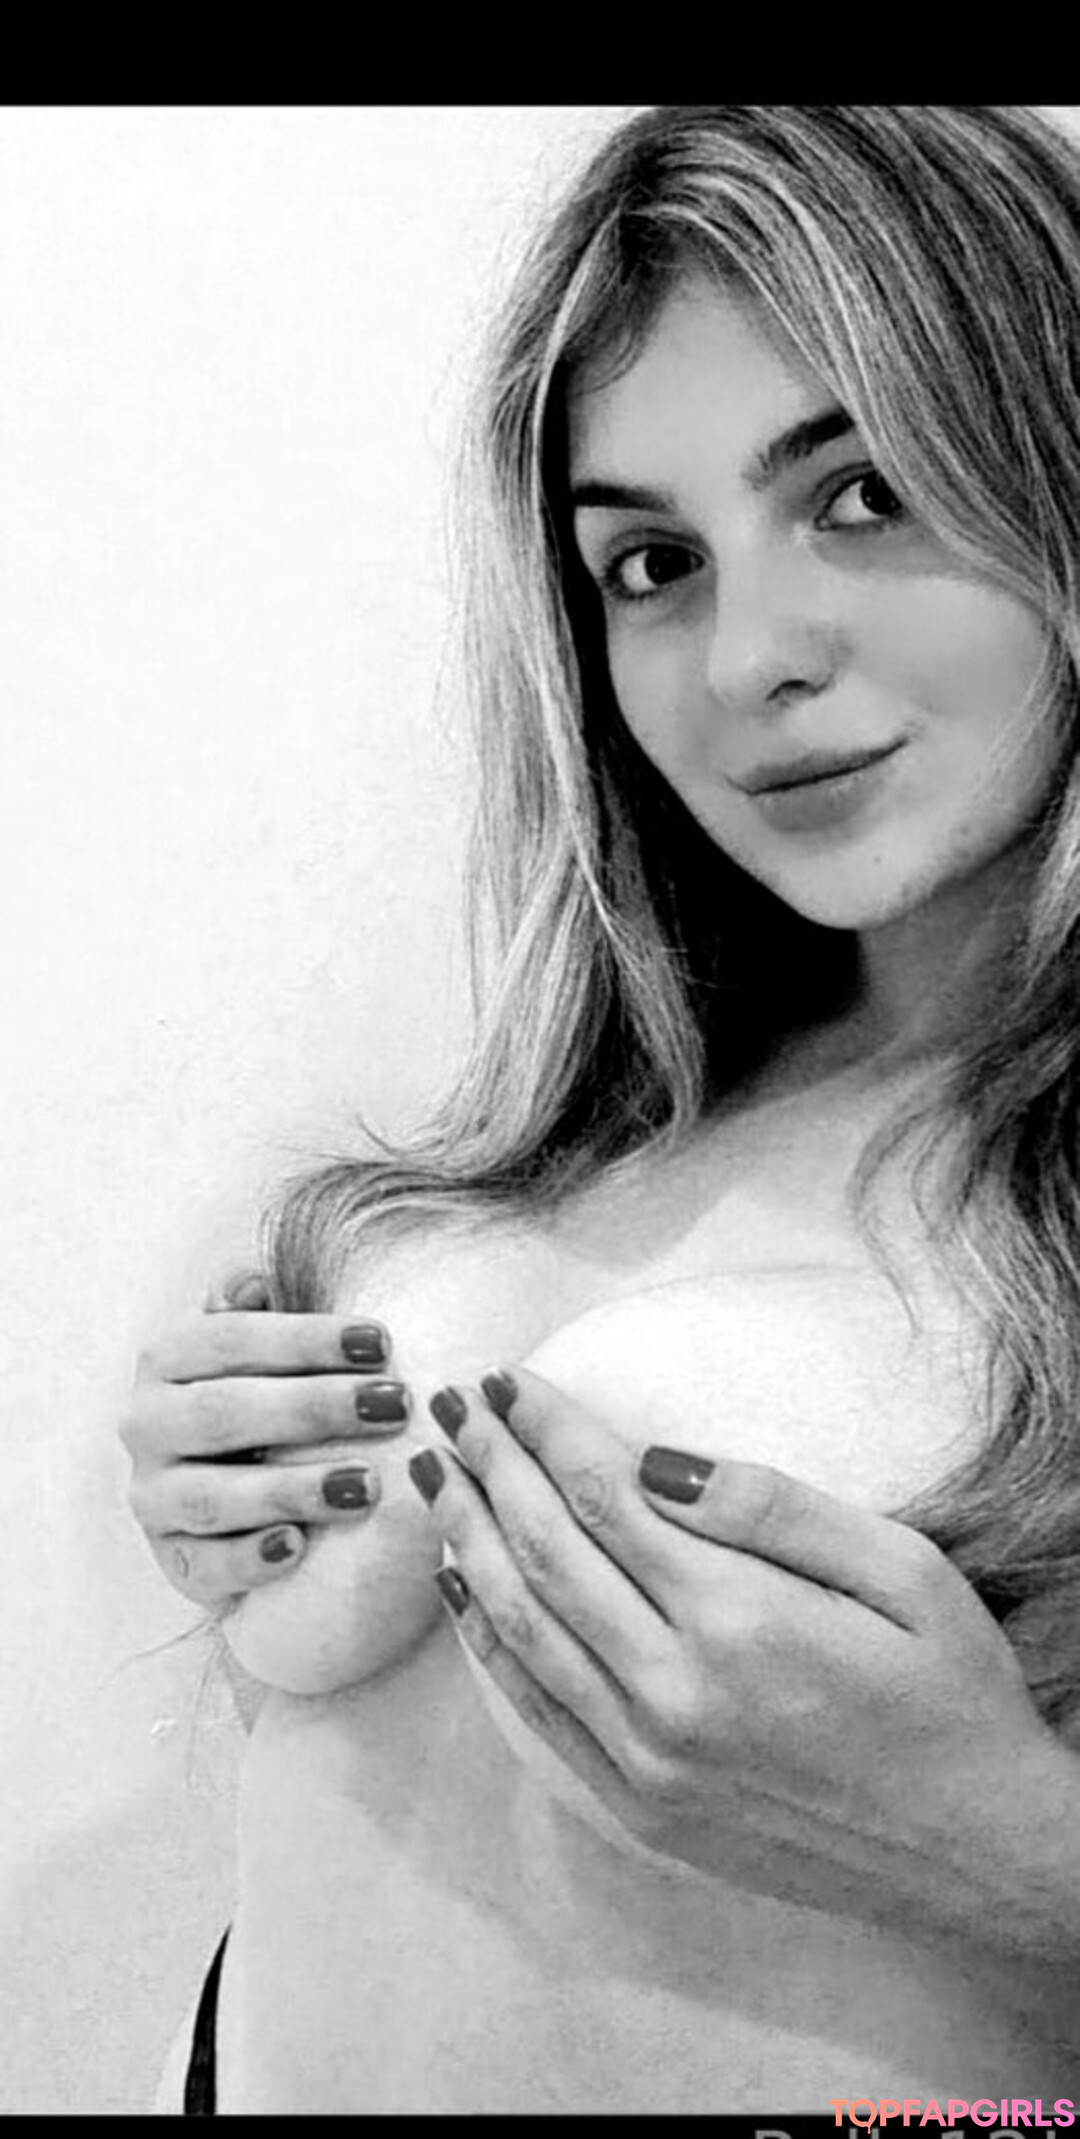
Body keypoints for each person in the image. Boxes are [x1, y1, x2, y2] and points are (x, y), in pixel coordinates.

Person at [123, 106, 1080, 2114]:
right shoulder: (591, 1141)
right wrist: (250, 1506)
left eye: (865, 494)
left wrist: (1012, 1848)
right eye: (652, 563)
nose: (748, 658)